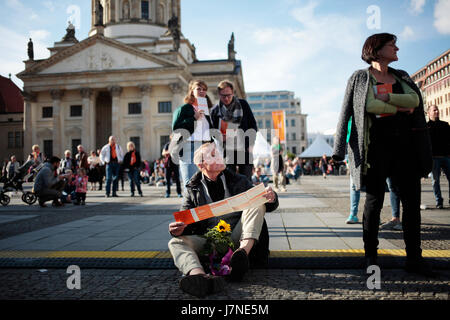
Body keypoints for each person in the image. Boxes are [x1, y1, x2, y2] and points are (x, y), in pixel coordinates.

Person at [333, 33, 435, 277]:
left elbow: (416, 101)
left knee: (411, 205)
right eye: (392, 45)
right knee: (374, 203)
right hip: (374, 149)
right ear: (377, 49)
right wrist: (338, 149)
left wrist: (387, 97)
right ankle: (371, 256)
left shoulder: (402, 76)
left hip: (406, 149)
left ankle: (414, 258)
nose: (397, 48)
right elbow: (360, 107)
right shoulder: (360, 77)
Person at [168, 142, 278, 298]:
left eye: (219, 152)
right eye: (213, 154)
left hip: (238, 237)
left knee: (257, 201)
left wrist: (271, 198)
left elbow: (268, 206)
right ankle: (197, 276)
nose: (219, 155)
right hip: (210, 240)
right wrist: (179, 229)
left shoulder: (238, 180)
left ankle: (241, 256)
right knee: (175, 242)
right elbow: (186, 221)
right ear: (201, 164)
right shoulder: (192, 188)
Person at [210, 80, 258, 181]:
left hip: (244, 147)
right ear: (219, 94)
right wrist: (218, 136)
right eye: (223, 96)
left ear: (233, 93)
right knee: (228, 179)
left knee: (246, 179)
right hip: (227, 150)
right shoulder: (215, 110)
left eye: (228, 95)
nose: (226, 98)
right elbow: (211, 131)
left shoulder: (243, 104)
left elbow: (252, 125)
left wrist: (251, 144)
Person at [172, 79, 214, 189]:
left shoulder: (206, 110)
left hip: (204, 147)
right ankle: (188, 206)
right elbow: (176, 127)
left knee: (202, 184)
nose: (202, 91)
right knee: (190, 183)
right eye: (198, 89)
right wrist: (193, 119)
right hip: (189, 146)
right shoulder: (184, 108)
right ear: (191, 91)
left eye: (204, 89)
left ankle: (200, 206)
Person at [426, 105, 450, 209]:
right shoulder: (426, 127)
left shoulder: (445, 125)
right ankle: (439, 201)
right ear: (429, 113)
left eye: (437, 110)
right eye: (434, 110)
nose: (437, 112)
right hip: (434, 158)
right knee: (435, 181)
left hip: (446, 156)